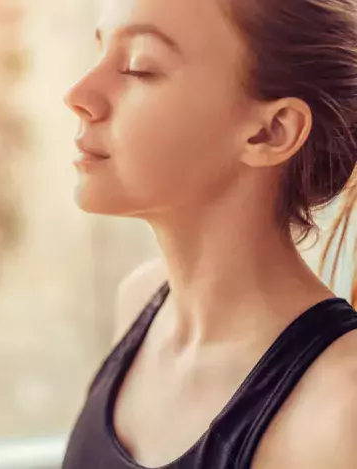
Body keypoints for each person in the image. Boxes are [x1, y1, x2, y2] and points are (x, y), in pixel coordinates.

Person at [60, 0, 357, 468]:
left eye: (139, 67)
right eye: (99, 52)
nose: (78, 94)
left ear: (271, 132)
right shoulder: (139, 301)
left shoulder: (341, 408)